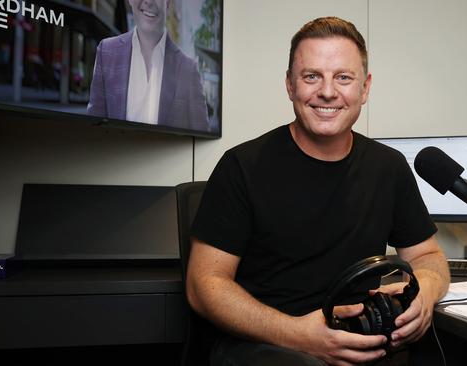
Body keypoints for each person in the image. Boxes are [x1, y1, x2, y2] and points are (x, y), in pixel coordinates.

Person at [186, 17, 450, 366]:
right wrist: (298, 334)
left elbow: (428, 257)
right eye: (312, 76)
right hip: (266, 345)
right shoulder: (242, 166)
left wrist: (427, 292)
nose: (328, 91)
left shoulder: (389, 167)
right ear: (290, 86)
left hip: (360, 342)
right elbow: (204, 285)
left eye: (343, 77)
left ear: (365, 88)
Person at [87, 0, 214, 133]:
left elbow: (200, 134)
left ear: (168, 2)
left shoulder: (188, 69)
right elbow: (93, 127)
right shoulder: (107, 51)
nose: (148, 1)